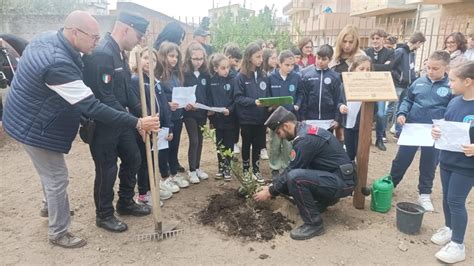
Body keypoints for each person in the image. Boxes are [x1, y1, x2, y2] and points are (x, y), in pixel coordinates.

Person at [2, 11, 159, 248]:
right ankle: (59, 232)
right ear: (75, 33)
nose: (98, 42)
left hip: (31, 115)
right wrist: (137, 122)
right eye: (94, 37)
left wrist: (138, 114)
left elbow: (122, 89)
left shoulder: (51, 40)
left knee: (52, 173)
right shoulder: (61, 63)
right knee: (57, 177)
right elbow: (94, 104)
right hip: (33, 125)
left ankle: (50, 206)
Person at [82, 12, 153, 233]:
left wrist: (143, 112)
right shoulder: (103, 54)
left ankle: (125, 202)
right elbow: (105, 98)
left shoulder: (119, 53)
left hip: (120, 121)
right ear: (125, 29)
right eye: (139, 35)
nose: (140, 40)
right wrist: (136, 121)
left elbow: (124, 91)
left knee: (133, 158)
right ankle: (104, 214)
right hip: (103, 124)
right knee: (107, 169)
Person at [253, 106, 356, 240]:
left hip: (342, 182)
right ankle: (323, 201)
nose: (281, 137)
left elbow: (292, 170)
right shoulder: (304, 131)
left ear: (286, 126)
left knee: (295, 178)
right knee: (291, 178)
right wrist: (273, 185)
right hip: (337, 177)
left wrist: (270, 191)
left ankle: (314, 224)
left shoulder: (305, 139)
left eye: (279, 133)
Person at [389, 50, 453, 212]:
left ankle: (424, 193)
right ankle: (391, 184)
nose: (430, 71)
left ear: (446, 68)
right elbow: (408, 100)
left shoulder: (450, 87)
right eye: (428, 68)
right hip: (413, 129)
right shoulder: (418, 82)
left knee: (429, 163)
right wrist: (402, 113)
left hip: (434, 133)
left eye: (435, 68)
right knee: (401, 159)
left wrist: (444, 125)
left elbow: (452, 110)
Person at [431, 61, 474, 264]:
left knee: (456, 201)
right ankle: (449, 228)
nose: (449, 84)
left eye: (453, 80)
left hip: (467, 165)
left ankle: (458, 245)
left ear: (467, 81)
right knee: (447, 198)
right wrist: (437, 132)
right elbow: (448, 126)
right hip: (447, 159)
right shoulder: (454, 101)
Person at [129, 46, 179, 207]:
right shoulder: (136, 80)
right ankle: (143, 195)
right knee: (145, 162)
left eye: (153, 60)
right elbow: (136, 105)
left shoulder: (155, 81)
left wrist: (169, 126)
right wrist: (148, 121)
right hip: (145, 128)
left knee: (154, 158)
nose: (149, 62)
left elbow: (164, 105)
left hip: (158, 128)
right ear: (137, 60)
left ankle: (152, 188)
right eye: (145, 58)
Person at [233, 42, 269, 183]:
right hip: (247, 119)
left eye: (261, 56)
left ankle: (256, 170)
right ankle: (246, 171)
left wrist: (269, 104)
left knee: (259, 145)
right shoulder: (240, 77)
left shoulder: (264, 75)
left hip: (261, 118)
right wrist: (254, 102)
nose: (261, 59)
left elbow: (267, 95)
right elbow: (238, 98)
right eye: (257, 56)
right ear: (249, 58)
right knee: (246, 144)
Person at [155, 42, 189, 191]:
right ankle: (164, 176)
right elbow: (156, 98)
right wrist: (167, 104)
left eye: (176, 56)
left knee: (174, 146)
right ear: (163, 56)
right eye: (171, 56)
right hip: (164, 119)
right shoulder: (158, 76)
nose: (174, 59)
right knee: (164, 148)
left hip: (177, 116)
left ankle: (174, 172)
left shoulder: (176, 74)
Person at [268, 50, 303, 177]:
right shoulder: (271, 77)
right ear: (279, 63)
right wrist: (270, 106)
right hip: (275, 116)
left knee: (289, 143)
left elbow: (300, 93)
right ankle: (275, 167)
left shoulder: (296, 77)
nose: (290, 68)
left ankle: (287, 166)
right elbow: (267, 95)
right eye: (287, 65)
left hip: (290, 116)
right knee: (275, 142)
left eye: (292, 65)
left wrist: (297, 104)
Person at [330, 24, 365, 143]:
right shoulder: (333, 55)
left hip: (349, 100)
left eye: (351, 42)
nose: (347, 45)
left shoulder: (361, 57)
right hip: (332, 97)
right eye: (344, 41)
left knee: (344, 132)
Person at [386, 31, 426, 138]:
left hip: (406, 85)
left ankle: (398, 132)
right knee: (392, 107)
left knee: (400, 109)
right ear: (417, 42)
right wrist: (399, 77)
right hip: (398, 84)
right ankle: (382, 131)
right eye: (420, 44)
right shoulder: (400, 51)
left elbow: (410, 68)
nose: (420, 46)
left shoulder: (411, 53)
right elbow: (391, 67)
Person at [182, 41, 210, 184]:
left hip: (202, 112)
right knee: (194, 140)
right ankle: (191, 169)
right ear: (189, 58)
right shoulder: (185, 74)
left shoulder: (206, 74)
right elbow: (182, 93)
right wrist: (187, 104)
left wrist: (209, 108)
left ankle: (198, 167)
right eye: (195, 59)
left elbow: (208, 93)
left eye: (201, 59)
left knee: (200, 140)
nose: (198, 62)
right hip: (189, 114)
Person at [208, 53, 237, 181]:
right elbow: (209, 99)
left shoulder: (233, 80)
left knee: (229, 143)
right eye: (223, 68)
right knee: (219, 144)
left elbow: (236, 99)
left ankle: (228, 168)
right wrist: (210, 112)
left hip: (230, 118)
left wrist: (229, 110)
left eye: (227, 68)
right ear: (215, 68)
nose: (226, 71)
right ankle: (221, 166)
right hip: (217, 119)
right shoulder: (212, 81)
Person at [338, 55, 372, 161]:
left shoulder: (371, 87)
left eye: (368, 69)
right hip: (348, 124)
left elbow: (374, 109)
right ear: (353, 69)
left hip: (362, 127)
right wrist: (341, 106)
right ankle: (350, 172)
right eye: (361, 69)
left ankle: (360, 174)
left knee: (361, 152)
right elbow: (339, 101)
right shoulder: (344, 85)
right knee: (349, 151)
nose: (365, 72)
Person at [365, 29, 394, 151]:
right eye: (373, 38)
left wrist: (373, 66)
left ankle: (379, 139)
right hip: (367, 86)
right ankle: (365, 139)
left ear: (383, 39)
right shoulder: (367, 52)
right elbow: (365, 67)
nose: (375, 41)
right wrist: (381, 66)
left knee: (381, 114)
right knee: (366, 114)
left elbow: (389, 67)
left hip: (382, 86)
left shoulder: (389, 52)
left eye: (378, 38)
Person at [301, 45, 341, 130]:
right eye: (318, 58)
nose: (320, 61)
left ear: (330, 60)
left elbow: (338, 99)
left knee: (326, 142)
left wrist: (337, 119)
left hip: (329, 119)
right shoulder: (307, 76)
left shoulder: (335, 77)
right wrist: (303, 118)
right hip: (311, 118)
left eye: (324, 59)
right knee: (312, 142)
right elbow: (304, 98)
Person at [223, 42, 242, 155]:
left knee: (235, 124)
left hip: (233, 103)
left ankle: (234, 143)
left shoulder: (234, 72)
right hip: (223, 104)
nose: (237, 64)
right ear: (229, 57)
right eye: (236, 61)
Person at [260, 48, 279, 161]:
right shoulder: (262, 73)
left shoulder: (276, 73)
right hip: (264, 104)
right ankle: (263, 148)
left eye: (276, 58)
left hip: (274, 105)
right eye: (272, 58)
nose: (275, 60)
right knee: (262, 127)